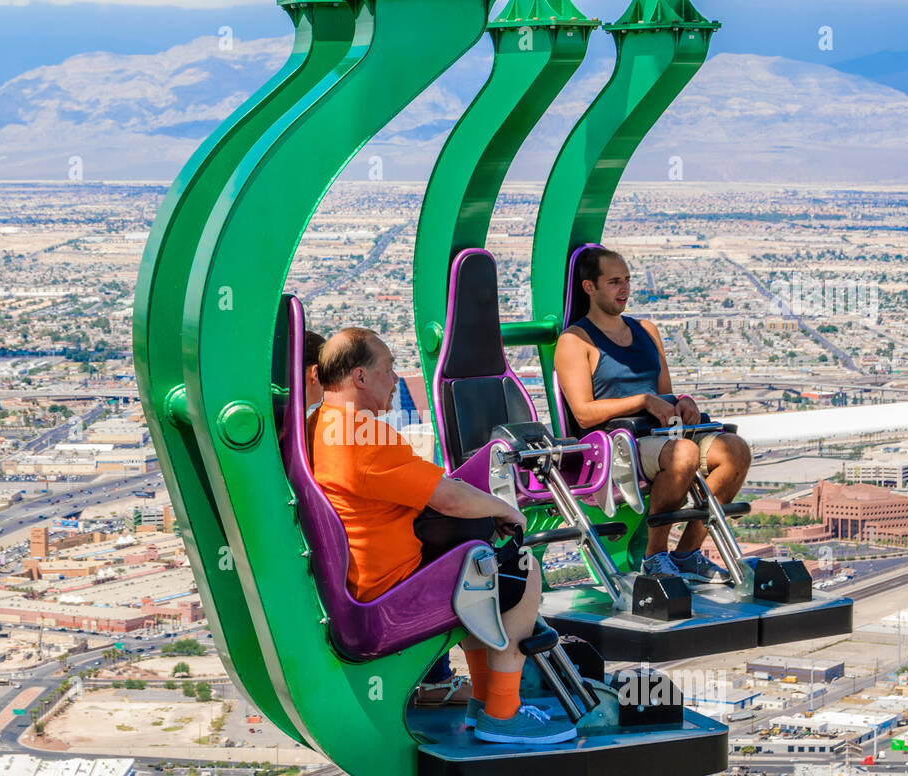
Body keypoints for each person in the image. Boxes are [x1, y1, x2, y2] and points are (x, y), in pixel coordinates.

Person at [309, 328, 575, 744]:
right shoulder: (362, 438)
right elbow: (449, 498)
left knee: (473, 557)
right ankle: (503, 715)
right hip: (387, 590)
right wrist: (506, 510)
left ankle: (481, 702)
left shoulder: (320, 424)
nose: (396, 379)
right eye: (389, 369)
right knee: (521, 573)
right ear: (360, 377)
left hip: (359, 575)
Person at [554, 247, 752, 582]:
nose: (624, 289)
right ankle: (655, 556)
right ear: (590, 287)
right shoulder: (576, 341)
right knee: (683, 454)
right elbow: (584, 414)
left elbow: (665, 393)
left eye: (627, 280)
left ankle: (688, 552)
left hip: (664, 433)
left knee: (735, 450)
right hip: (619, 444)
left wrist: (683, 401)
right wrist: (643, 401)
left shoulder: (646, 330)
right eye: (614, 282)